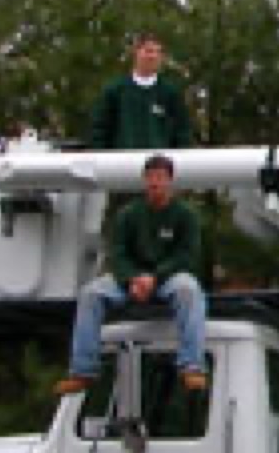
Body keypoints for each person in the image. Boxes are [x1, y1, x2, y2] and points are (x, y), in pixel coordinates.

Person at [58, 154, 208, 396]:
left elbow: (187, 256)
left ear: (170, 181)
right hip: (131, 280)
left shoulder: (185, 215)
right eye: (150, 177)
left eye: (160, 177)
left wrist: (155, 278)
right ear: (144, 180)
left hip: (168, 279)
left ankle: (192, 366)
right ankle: (82, 371)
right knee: (90, 293)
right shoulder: (128, 214)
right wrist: (131, 279)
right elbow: (118, 253)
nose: (155, 182)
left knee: (190, 290)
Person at [87, 32, 194, 150]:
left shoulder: (171, 93)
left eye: (158, 52)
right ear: (136, 53)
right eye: (148, 51)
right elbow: (98, 131)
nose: (153, 56)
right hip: (123, 160)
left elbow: (183, 133)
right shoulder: (114, 91)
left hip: (159, 161)